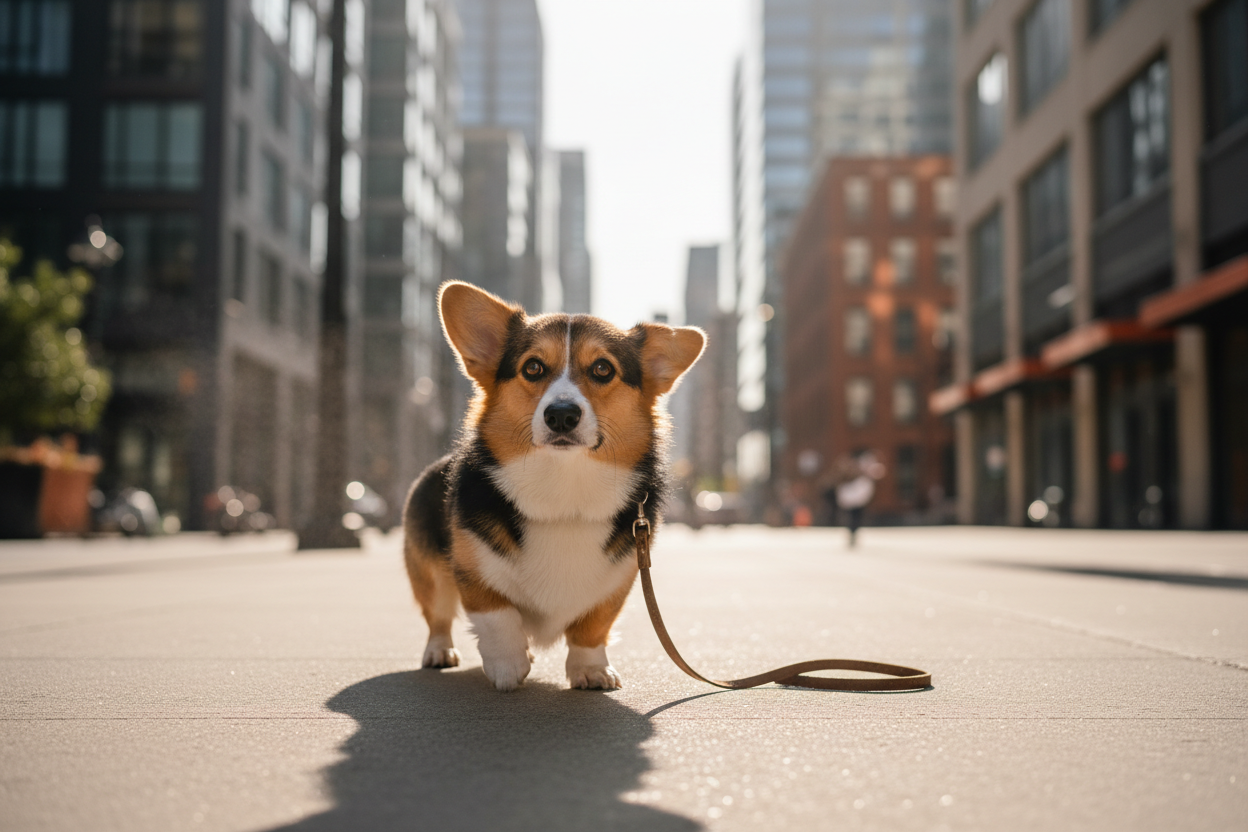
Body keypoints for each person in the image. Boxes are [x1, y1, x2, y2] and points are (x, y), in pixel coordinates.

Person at [835, 452, 885, 548]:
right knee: (853, 519)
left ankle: (853, 534)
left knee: (855, 519)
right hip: (852, 501)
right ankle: (852, 534)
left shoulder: (863, 480)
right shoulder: (856, 477)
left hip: (856, 501)